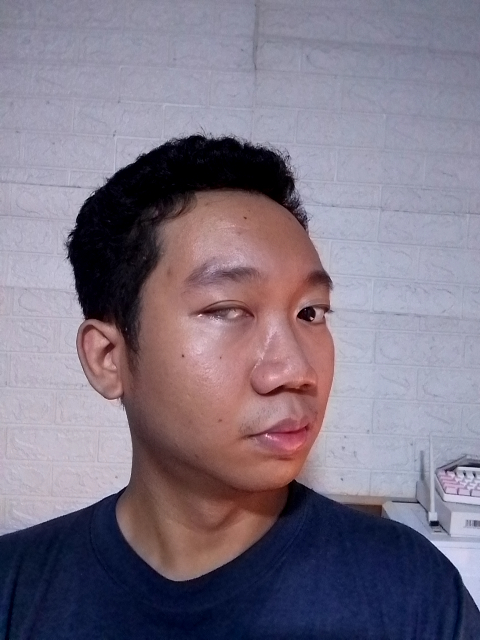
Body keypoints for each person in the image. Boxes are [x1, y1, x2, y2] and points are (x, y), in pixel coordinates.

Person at [0, 135, 478, 639]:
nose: (295, 369)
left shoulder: (412, 593)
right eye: (227, 310)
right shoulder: (15, 592)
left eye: (310, 312)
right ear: (108, 358)